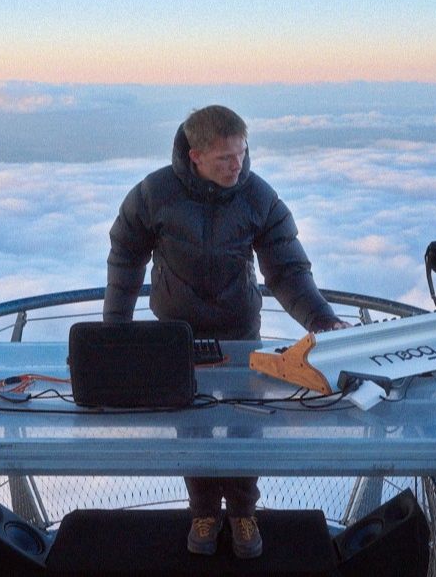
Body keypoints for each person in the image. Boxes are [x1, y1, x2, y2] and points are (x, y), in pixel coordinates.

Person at [103, 105, 348, 559]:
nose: (237, 166)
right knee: (191, 424)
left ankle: (242, 510)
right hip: (177, 331)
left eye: (241, 154)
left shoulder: (257, 197)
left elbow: (287, 269)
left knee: (245, 422)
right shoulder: (154, 194)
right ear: (194, 156)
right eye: (224, 159)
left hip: (240, 330)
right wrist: (115, 334)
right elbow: (125, 260)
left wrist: (322, 321)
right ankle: (203, 511)